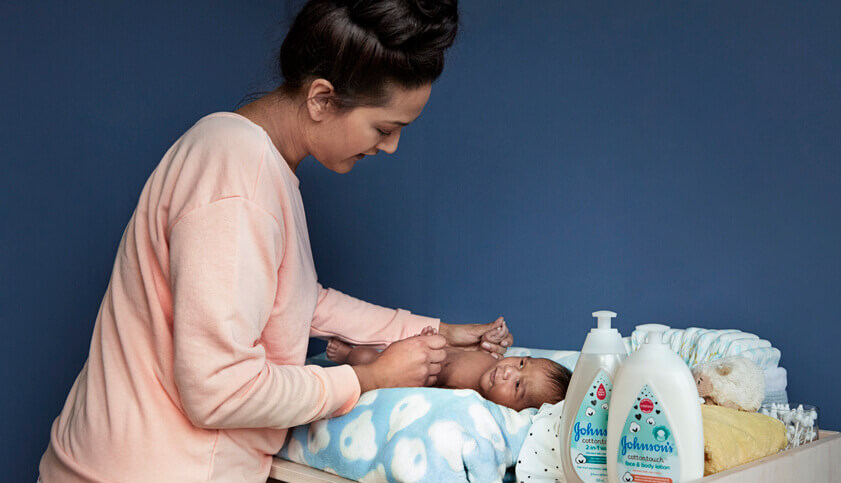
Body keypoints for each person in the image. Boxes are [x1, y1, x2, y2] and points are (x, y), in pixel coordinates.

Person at [38, 1, 508, 481]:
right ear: (322, 99)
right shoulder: (238, 178)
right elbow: (217, 389)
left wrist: (436, 331)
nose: (390, 147)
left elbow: (303, 303)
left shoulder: (253, 161)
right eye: (384, 128)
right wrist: (368, 378)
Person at [325, 326, 572, 410]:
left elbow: (433, 390)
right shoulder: (492, 362)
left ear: (515, 411)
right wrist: (430, 340)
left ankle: (348, 356)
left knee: (365, 357)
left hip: (408, 372)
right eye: (521, 363)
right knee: (374, 352)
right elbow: (461, 352)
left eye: (517, 385)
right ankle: (349, 353)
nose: (509, 371)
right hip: (415, 351)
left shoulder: (470, 397)